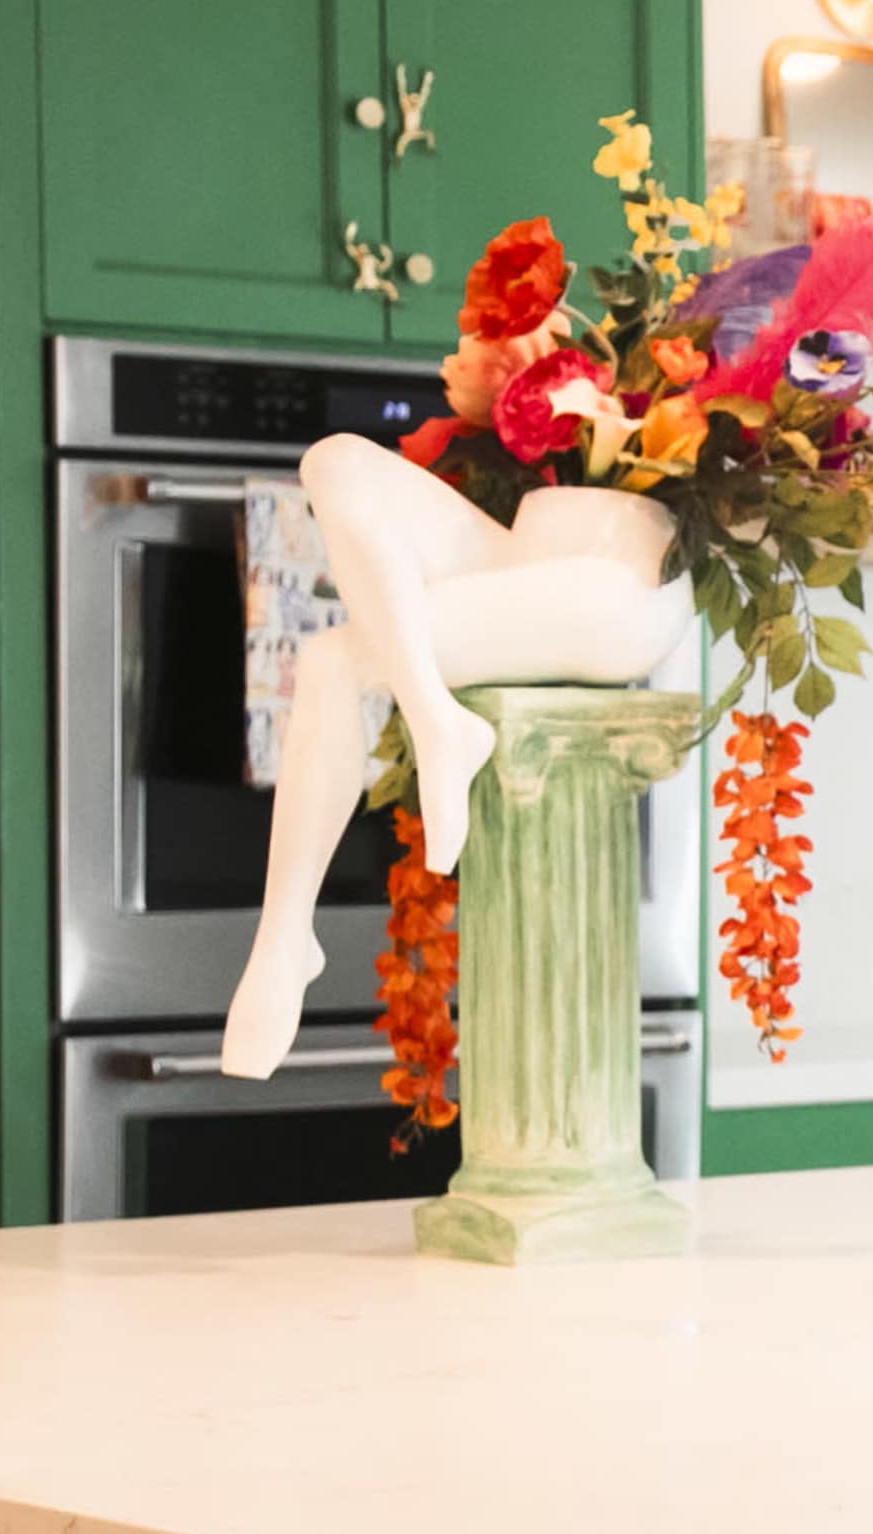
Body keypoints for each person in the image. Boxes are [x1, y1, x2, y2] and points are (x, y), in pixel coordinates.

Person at [219, 436, 689, 1079]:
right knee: (332, 460)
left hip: (620, 585)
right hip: (527, 550)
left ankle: (283, 937)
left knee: (334, 659)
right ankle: (432, 719)